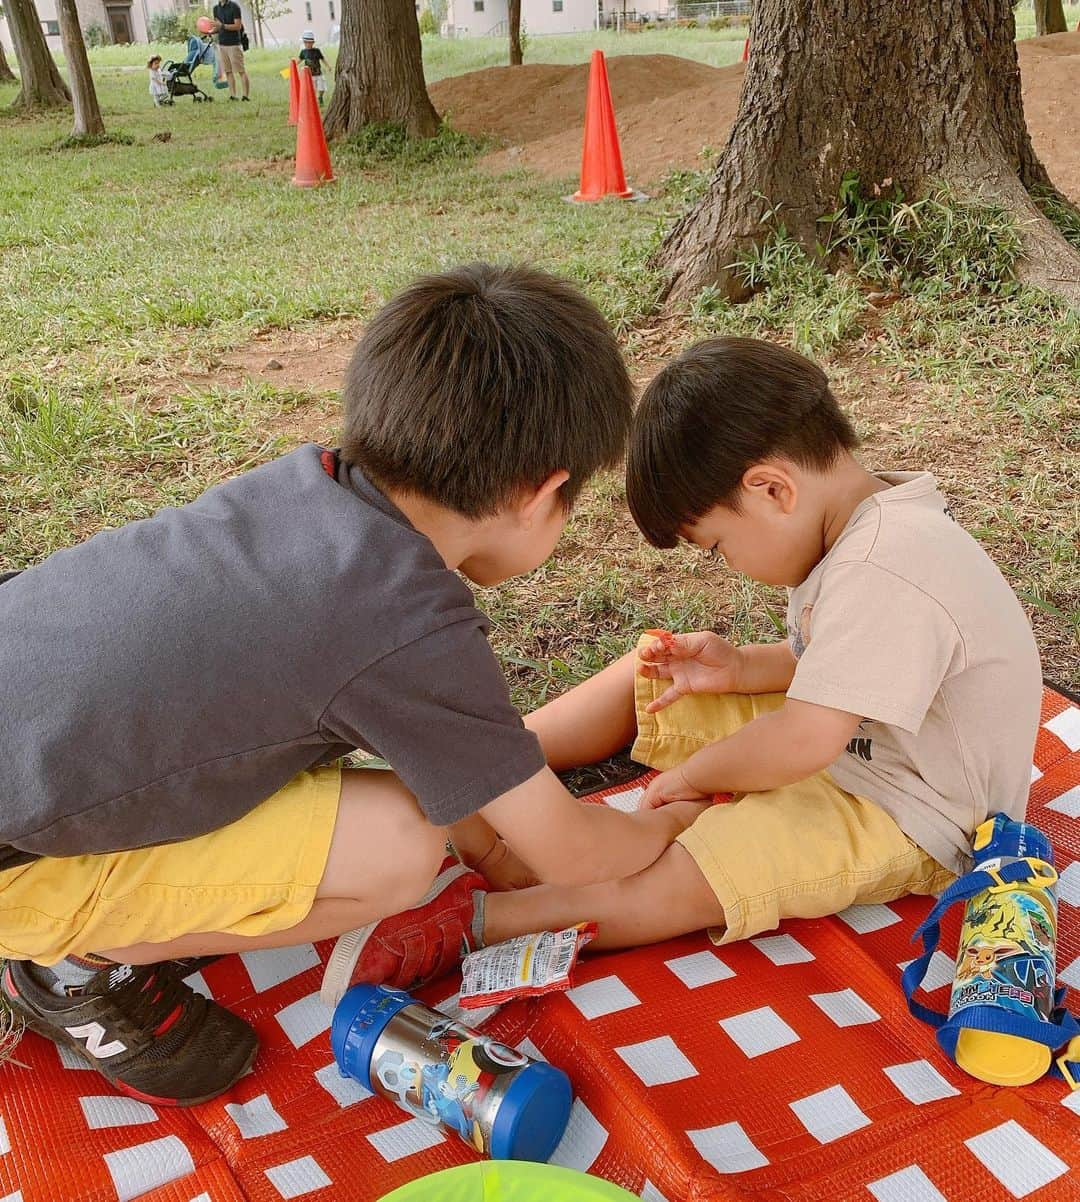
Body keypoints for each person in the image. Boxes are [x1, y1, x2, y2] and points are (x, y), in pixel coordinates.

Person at [0, 265, 707, 1106]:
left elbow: (440, 745)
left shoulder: (311, 487)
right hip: (16, 857)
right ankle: (68, 965)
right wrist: (668, 820)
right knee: (402, 850)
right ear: (542, 492)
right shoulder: (405, 615)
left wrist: (487, 844)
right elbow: (570, 849)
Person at [350, 335, 1043, 978]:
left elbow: (804, 736)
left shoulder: (887, 562)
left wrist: (699, 777)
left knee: (714, 866)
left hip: (915, 807)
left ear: (772, 489)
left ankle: (479, 921)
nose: (729, 565)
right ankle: (501, 766)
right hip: (857, 735)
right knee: (651, 673)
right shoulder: (865, 524)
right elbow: (844, 666)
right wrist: (741, 669)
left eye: (716, 546)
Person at [212, 0, 249, 101]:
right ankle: (233, 95)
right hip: (222, 44)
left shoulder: (234, 6)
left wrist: (222, 26)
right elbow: (217, 27)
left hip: (234, 44)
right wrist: (209, 31)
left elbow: (238, 26)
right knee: (228, 71)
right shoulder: (216, 8)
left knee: (241, 71)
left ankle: (245, 96)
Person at [298, 30, 330, 106]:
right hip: (310, 75)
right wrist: (293, 64)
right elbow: (299, 60)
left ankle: (320, 97)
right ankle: (313, 101)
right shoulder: (303, 52)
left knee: (322, 88)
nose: (307, 44)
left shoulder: (317, 51)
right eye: (306, 42)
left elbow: (322, 59)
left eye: (309, 42)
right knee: (313, 89)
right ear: (304, 43)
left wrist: (328, 66)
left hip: (318, 73)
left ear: (313, 43)